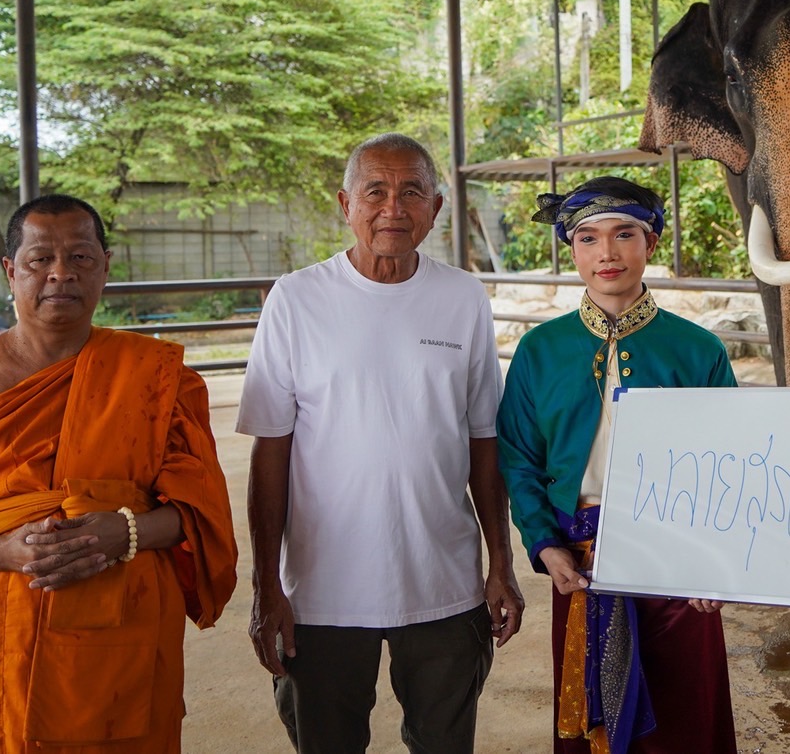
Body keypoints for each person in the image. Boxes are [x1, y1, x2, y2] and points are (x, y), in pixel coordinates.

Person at [0, 194, 238, 754]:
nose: (60, 274)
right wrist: (4, 552)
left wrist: (126, 531)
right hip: (0, 635)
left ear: (106, 264)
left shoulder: (154, 376)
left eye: (80, 258)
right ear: (11, 270)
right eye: (40, 259)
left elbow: (198, 514)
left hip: (127, 628)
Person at [238, 132, 523, 754]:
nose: (393, 208)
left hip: (444, 584)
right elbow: (271, 455)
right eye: (376, 191)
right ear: (346, 203)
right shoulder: (296, 300)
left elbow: (483, 442)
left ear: (436, 208)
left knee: (444, 743)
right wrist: (266, 586)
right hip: (321, 592)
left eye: (412, 191)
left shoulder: (463, 298)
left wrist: (501, 564)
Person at [496, 176, 738, 754]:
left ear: (650, 242)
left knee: (683, 717)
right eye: (587, 238)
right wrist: (545, 545)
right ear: (571, 248)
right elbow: (519, 457)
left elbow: (735, 468)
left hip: (680, 567)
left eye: (624, 234)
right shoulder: (540, 350)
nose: (606, 254)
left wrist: (718, 561)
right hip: (578, 565)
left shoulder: (698, 350)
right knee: (592, 722)